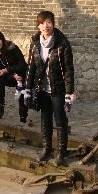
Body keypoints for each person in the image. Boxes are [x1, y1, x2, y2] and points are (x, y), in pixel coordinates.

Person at [24, 11, 75, 166]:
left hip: (58, 89)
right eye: (42, 23)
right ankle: (46, 149)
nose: (46, 26)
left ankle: (61, 152)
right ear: (38, 25)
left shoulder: (62, 43)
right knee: (45, 119)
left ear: (53, 23)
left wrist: (69, 92)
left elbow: (68, 70)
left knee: (60, 120)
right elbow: (31, 67)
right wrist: (27, 88)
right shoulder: (35, 43)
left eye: (49, 22)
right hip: (42, 89)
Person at [0, 30, 27, 120]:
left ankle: (23, 117)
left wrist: (9, 70)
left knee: (22, 93)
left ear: (2, 40)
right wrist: (12, 75)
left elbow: (23, 65)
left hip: (22, 75)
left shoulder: (13, 48)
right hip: (9, 77)